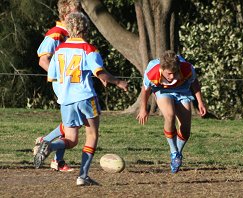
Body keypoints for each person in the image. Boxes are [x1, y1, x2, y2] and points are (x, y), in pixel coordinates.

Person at [34, 12, 128, 186]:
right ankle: (83, 176)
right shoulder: (88, 49)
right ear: (86, 29)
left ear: (68, 30)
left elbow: (53, 75)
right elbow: (100, 72)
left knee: (70, 139)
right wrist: (118, 82)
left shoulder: (59, 50)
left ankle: (50, 146)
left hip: (66, 99)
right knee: (91, 134)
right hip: (85, 97)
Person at [34, 0, 90, 172]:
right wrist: (60, 77)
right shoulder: (56, 33)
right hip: (65, 85)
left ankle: (49, 148)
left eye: (80, 11)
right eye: (76, 11)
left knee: (71, 124)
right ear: (65, 15)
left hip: (71, 84)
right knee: (72, 125)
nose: (80, 15)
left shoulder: (70, 34)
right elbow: (43, 59)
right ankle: (50, 150)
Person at [136, 50, 206, 173]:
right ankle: (174, 152)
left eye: (175, 73)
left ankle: (178, 154)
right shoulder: (152, 72)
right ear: (162, 68)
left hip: (182, 91)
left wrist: (200, 102)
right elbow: (145, 90)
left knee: (185, 129)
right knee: (170, 115)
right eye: (169, 74)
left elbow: (194, 82)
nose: (172, 77)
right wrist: (143, 109)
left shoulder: (187, 68)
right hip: (162, 91)